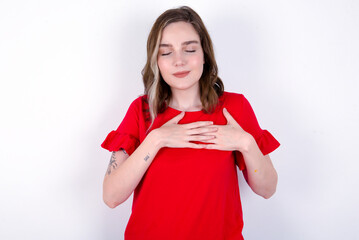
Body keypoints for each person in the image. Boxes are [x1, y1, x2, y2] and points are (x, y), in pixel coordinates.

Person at [101, 6, 280, 240]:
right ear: (156, 61)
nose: (179, 61)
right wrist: (157, 139)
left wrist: (245, 142)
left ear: (204, 54)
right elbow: (111, 197)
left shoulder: (234, 108)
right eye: (166, 53)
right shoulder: (141, 111)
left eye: (190, 49)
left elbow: (267, 189)